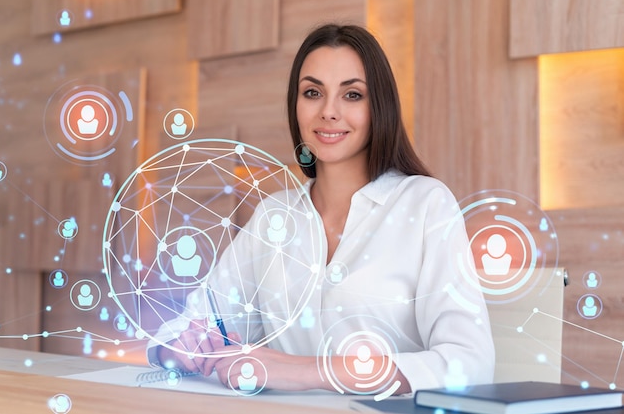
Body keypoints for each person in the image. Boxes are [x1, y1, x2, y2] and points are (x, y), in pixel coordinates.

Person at [148, 23, 495, 395]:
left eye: (352, 95)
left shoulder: (426, 203)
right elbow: (185, 327)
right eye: (312, 92)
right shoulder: (273, 217)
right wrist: (181, 350)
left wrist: (300, 372)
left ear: (379, 107)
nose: (329, 112)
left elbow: (470, 363)